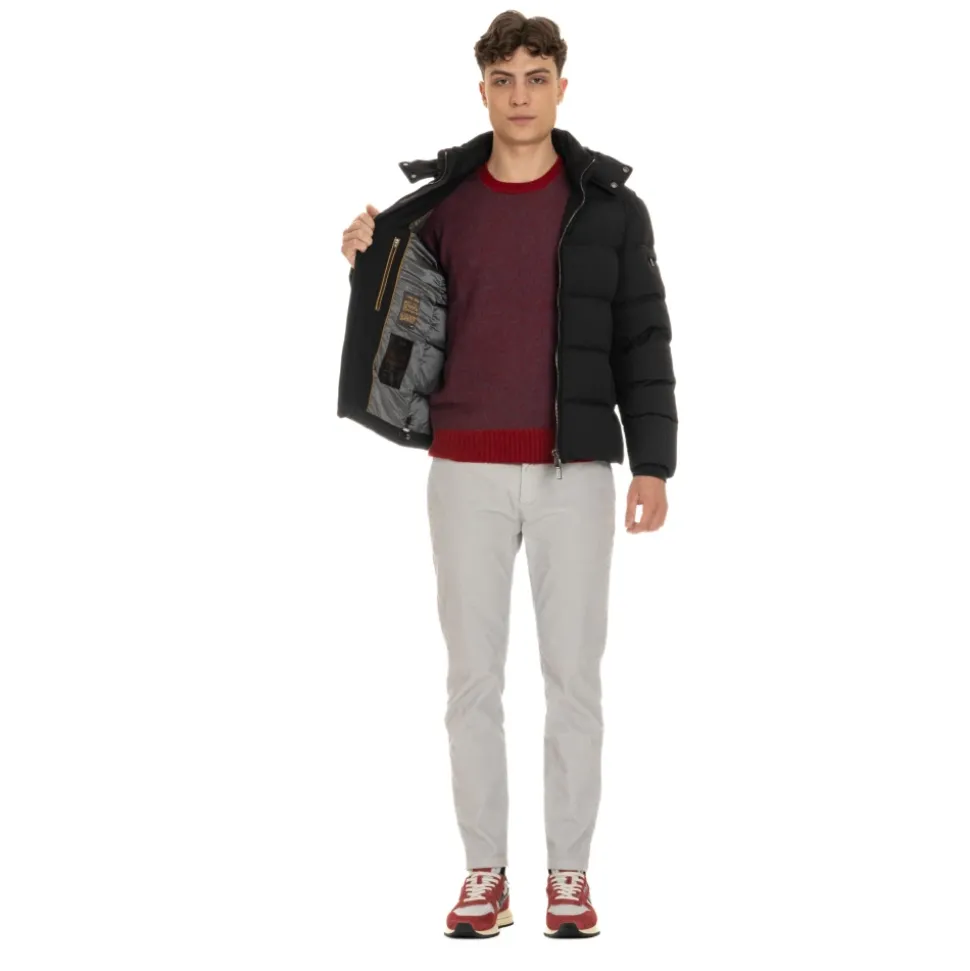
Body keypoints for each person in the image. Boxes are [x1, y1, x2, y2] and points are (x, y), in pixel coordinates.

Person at [337, 10, 677, 940]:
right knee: (471, 683)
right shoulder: (437, 206)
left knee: (574, 681)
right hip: (463, 471)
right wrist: (366, 257)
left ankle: (569, 876)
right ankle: (484, 874)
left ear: (563, 86)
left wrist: (653, 463)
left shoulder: (610, 206)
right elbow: (399, 321)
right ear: (481, 90)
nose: (520, 96)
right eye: (502, 79)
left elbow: (644, 338)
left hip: (577, 472)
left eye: (536, 77)